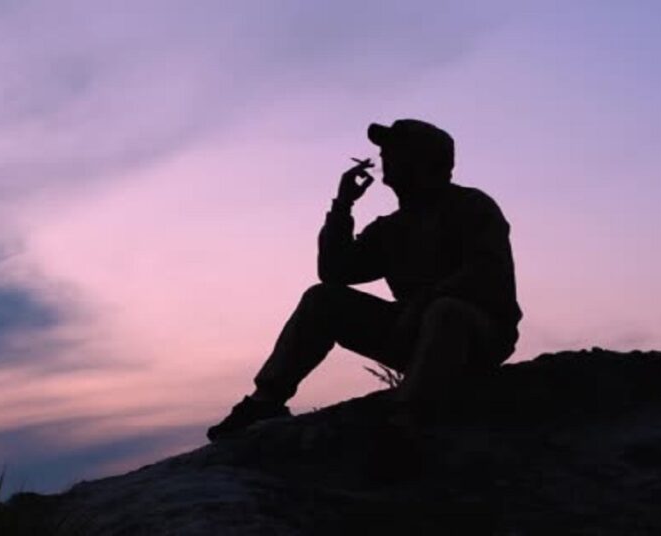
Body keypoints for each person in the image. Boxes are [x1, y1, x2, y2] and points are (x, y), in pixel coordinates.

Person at [207, 119, 522, 441]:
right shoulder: (390, 228)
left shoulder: (471, 206)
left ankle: (406, 424)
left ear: (423, 160)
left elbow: (485, 272)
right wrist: (343, 206)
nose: (384, 156)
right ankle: (265, 401)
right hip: (414, 333)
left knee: (446, 312)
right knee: (322, 299)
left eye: (394, 150)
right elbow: (335, 272)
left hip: (477, 335)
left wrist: (427, 302)